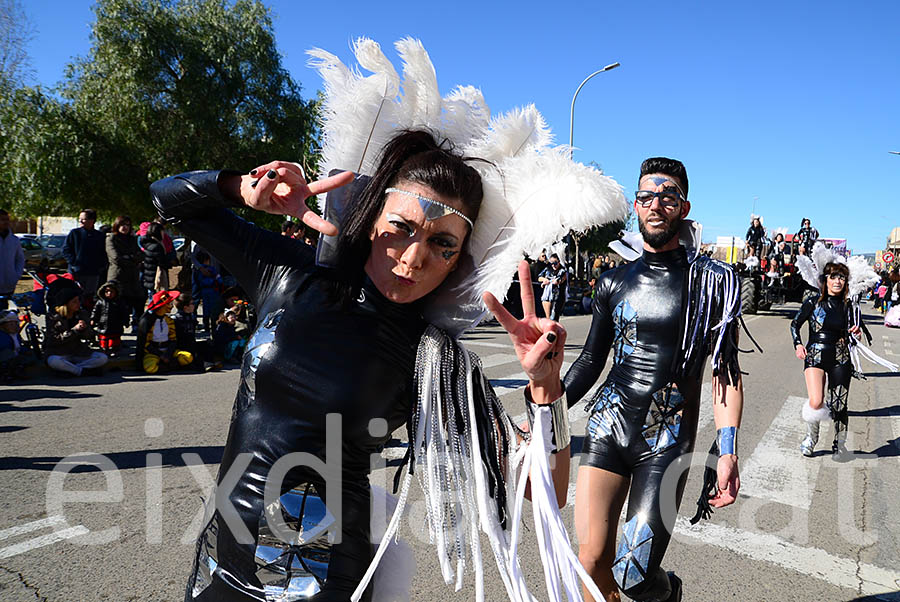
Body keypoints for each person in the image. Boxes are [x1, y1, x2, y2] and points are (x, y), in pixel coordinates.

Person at [564, 158, 744, 602]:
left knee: (634, 572)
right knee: (590, 563)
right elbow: (590, 360)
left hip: (665, 441)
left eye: (667, 197)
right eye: (647, 197)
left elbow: (725, 373)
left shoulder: (712, 285)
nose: (656, 205)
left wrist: (728, 452)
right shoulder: (610, 281)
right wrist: (544, 409)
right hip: (608, 427)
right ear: (636, 205)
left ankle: (669, 593)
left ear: (683, 207)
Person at [792, 262, 860, 456]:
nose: (837, 281)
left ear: (846, 282)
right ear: (826, 280)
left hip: (840, 356)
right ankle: (811, 438)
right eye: (833, 277)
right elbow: (795, 324)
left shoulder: (849, 305)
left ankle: (840, 444)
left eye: (841, 277)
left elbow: (855, 329)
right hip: (815, 354)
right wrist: (798, 344)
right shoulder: (812, 302)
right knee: (816, 400)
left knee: (839, 404)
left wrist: (855, 332)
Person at [43, 277, 108, 376]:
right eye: (74, 302)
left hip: (77, 352)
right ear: (65, 304)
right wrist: (75, 330)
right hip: (59, 353)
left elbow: (89, 336)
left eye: (78, 301)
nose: (78, 304)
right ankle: (82, 371)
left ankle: (73, 370)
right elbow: (54, 340)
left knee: (102, 358)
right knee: (53, 361)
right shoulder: (53, 317)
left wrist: (85, 329)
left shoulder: (81, 314)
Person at [136, 290, 194, 374]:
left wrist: (168, 353)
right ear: (162, 305)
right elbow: (144, 343)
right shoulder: (148, 321)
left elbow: (173, 339)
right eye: (169, 304)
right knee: (150, 367)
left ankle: (168, 365)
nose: (171, 307)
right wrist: (160, 355)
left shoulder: (169, 320)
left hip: (167, 350)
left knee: (188, 357)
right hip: (153, 352)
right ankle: (168, 366)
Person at [106, 215, 146, 325]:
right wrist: (131, 259)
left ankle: (136, 325)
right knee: (117, 305)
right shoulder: (111, 238)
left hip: (133, 278)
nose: (125, 227)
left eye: (127, 225)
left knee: (139, 300)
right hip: (117, 276)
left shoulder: (132, 239)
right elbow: (115, 258)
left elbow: (141, 255)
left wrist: (131, 257)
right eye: (122, 224)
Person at [62, 208, 107, 304]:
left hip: (93, 273)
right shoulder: (75, 233)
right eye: (80, 219)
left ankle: (87, 316)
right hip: (77, 272)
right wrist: (74, 263)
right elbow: (66, 250)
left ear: (92, 221)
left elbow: (104, 253)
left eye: (84, 219)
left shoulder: (99, 236)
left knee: (89, 297)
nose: (81, 221)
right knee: (76, 296)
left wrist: (101, 267)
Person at [173, 295, 221, 372]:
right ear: (186, 307)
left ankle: (210, 362)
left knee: (207, 344)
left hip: (191, 342)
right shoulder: (176, 319)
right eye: (192, 304)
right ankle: (203, 365)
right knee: (195, 351)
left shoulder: (191, 317)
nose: (194, 305)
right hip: (181, 346)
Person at [91, 280, 130, 357]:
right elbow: (95, 312)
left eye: (111, 291)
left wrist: (126, 322)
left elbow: (124, 313)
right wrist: (93, 319)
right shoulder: (100, 302)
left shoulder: (119, 303)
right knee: (103, 339)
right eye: (107, 291)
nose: (109, 293)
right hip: (103, 324)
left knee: (114, 340)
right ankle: (104, 350)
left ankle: (114, 350)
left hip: (116, 325)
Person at [192, 249, 223, 332]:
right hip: (213, 291)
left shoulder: (198, 271)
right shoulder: (211, 270)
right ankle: (213, 326)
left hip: (204, 291)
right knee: (213, 308)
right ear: (207, 260)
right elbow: (219, 279)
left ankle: (206, 326)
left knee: (206, 309)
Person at [0, 209, 25, 304]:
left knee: (6, 316)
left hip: (9, 285)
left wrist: (16, 275)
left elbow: (20, 259)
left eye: (7, 219)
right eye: (2, 219)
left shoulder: (14, 240)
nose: (5, 222)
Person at [140, 222, 172, 293]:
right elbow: (161, 262)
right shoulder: (157, 246)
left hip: (149, 277)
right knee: (157, 299)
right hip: (155, 277)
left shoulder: (148, 244)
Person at [538, 253, 567, 320]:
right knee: (548, 318)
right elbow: (539, 277)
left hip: (558, 297)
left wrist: (555, 281)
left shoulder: (562, 270)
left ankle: (554, 329)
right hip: (547, 295)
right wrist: (544, 280)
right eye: (551, 263)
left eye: (555, 263)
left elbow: (561, 279)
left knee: (554, 317)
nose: (553, 265)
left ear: (559, 262)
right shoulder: (547, 269)